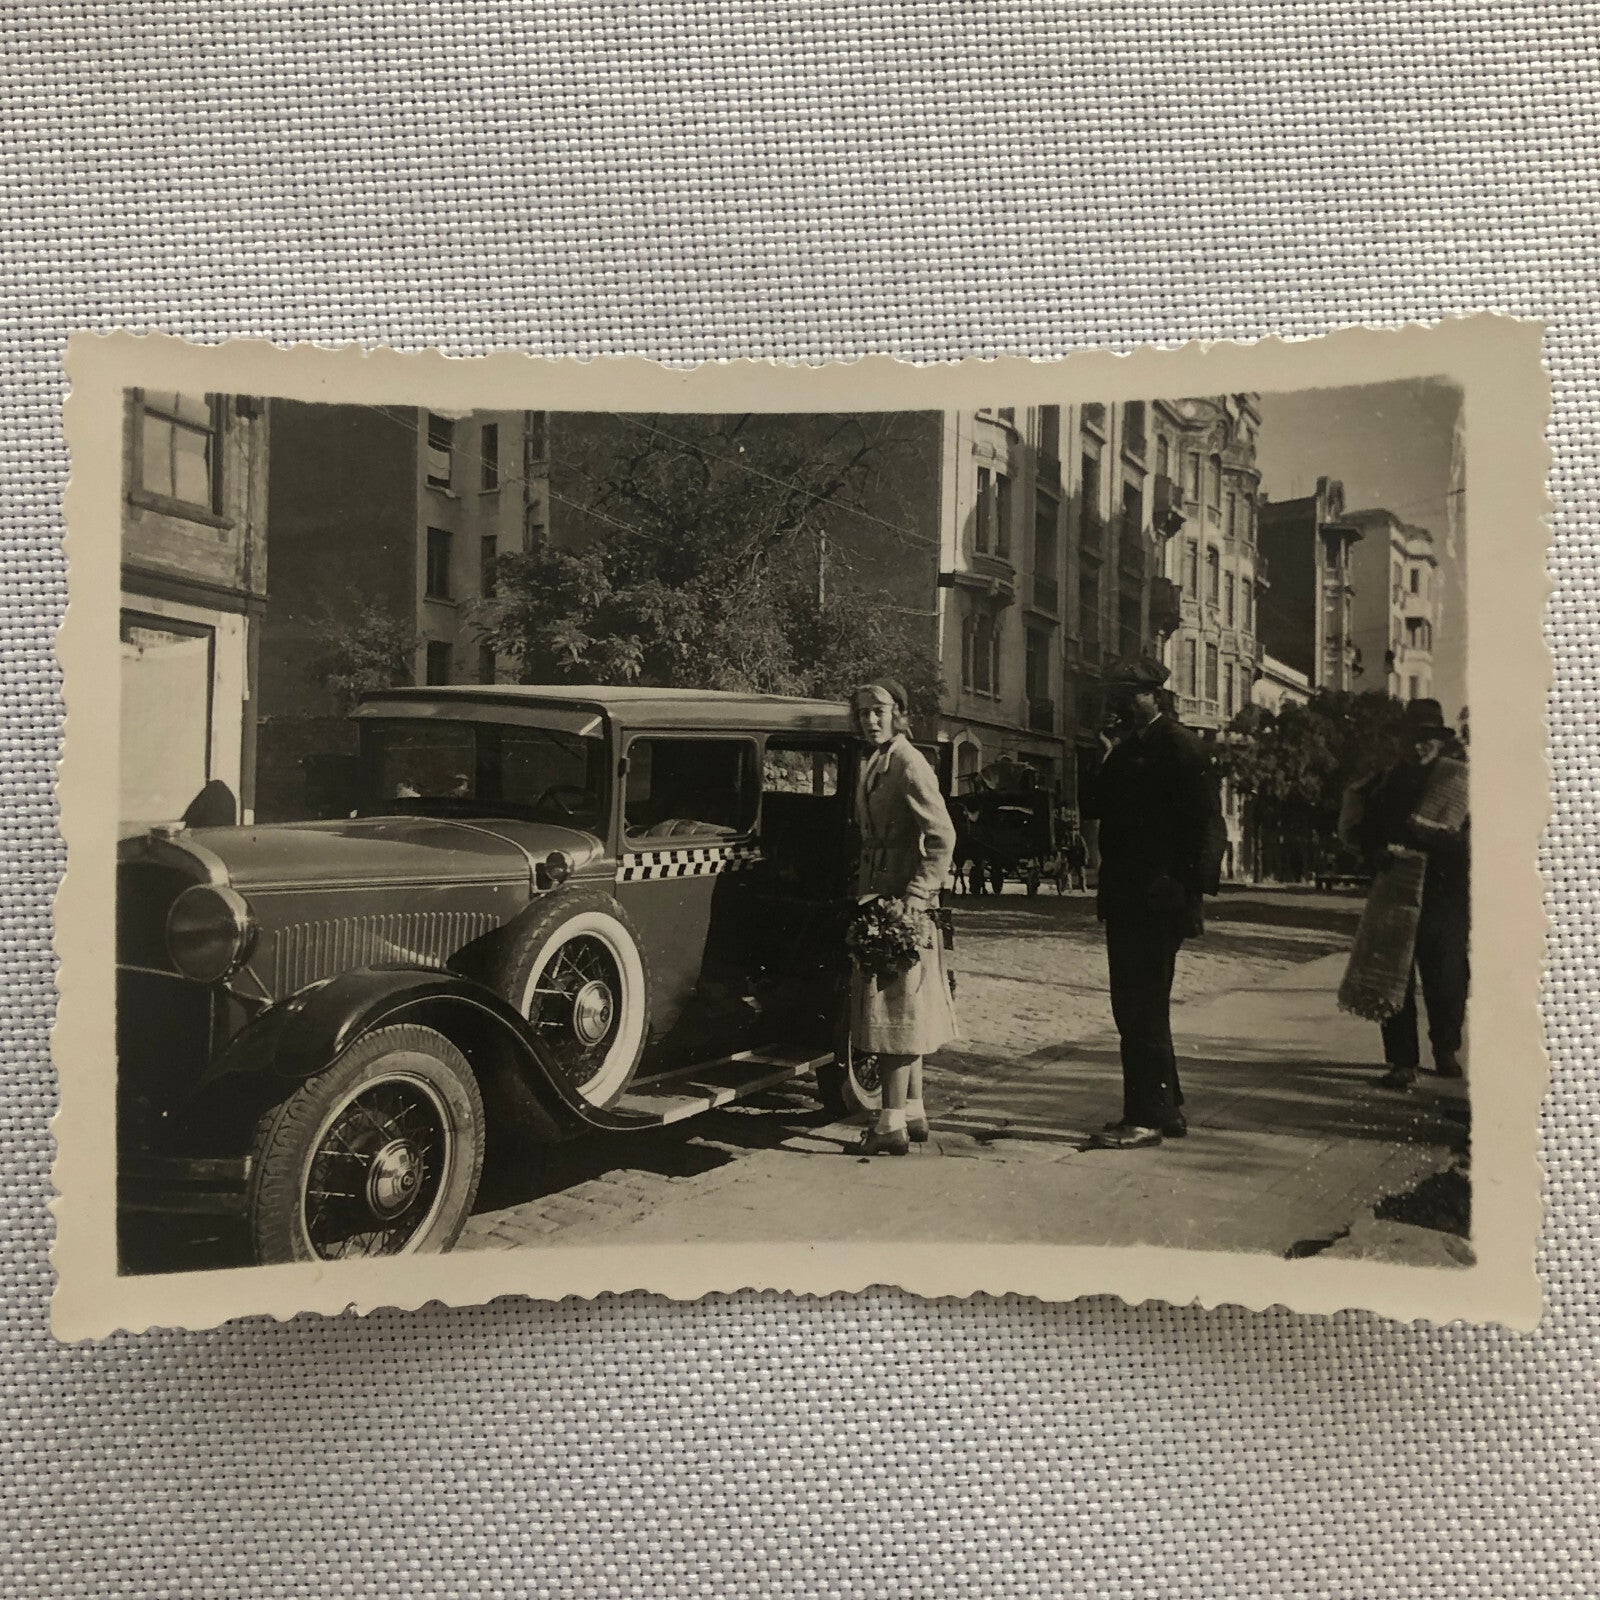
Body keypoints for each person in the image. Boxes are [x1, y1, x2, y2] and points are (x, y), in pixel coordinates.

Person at [1084, 655, 1220, 1150]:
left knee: (1140, 1005)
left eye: (1129, 696)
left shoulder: (1181, 748)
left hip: (1158, 899)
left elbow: (1207, 827)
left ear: (1155, 697)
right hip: (1127, 897)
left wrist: (1187, 894)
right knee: (1141, 1006)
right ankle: (1167, 1108)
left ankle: (1144, 1117)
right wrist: (1103, 755)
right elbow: (1095, 807)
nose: (1119, 705)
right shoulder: (1125, 751)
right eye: (1115, 696)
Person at [847, 678, 960, 1156]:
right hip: (879, 896)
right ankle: (912, 1112)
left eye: (878, 711)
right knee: (903, 1008)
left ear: (898, 713)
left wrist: (916, 896)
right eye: (862, 712)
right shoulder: (878, 761)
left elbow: (943, 837)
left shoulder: (910, 764)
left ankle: (888, 1125)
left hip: (901, 906)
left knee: (893, 1011)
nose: (869, 720)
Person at [1355, 698, 1470, 1090]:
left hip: (1444, 895)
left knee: (1447, 977)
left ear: (1440, 743)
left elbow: (1474, 841)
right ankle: (1402, 1062)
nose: (1419, 747)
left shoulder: (1458, 782)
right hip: (1396, 893)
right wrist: (1376, 852)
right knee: (1393, 978)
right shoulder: (1389, 782)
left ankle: (1445, 1049)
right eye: (1413, 739)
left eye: (1427, 740)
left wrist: (1424, 833)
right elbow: (1364, 830)